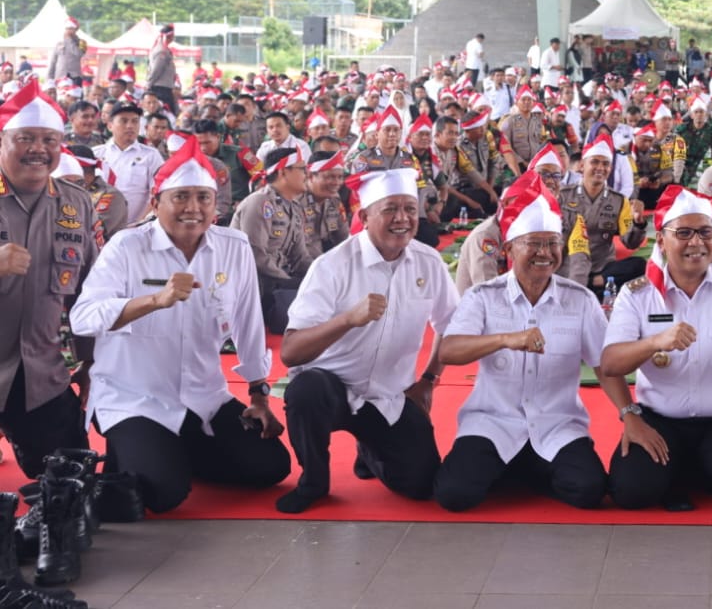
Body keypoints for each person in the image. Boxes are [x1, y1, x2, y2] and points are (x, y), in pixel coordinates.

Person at [70, 139, 290, 512]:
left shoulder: (233, 246)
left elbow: (248, 321)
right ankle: (140, 453)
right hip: (134, 397)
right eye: (181, 197)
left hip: (204, 395)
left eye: (204, 197)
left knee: (270, 466)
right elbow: (84, 316)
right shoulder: (127, 247)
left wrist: (258, 395)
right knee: (163, 495)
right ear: (156, 204)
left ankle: (168, 454)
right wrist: (153, 301)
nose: (193, 208)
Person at [433, 174, 631, 511]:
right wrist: (505, 339)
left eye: (552, 243)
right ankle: (518, 467)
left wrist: (630, 414)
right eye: (534, 244)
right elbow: (450, 350)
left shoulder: (580, 300)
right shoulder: (484, 297)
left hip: (557, 424)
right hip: (492, 421)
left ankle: (518, 469)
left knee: (589, 490)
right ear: (509, 249)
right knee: (454, 494)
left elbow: (605, 365)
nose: (545, 253)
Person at [273, 168, 459, 514]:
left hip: (391, 395)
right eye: (390, 209)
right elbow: (291, 351)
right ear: (364, 216)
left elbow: (451, 326)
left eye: (408, 208)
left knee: (421, 485)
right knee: (305, 391)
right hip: (332, 391)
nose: (402, 218)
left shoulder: (429, 262)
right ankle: (313, 481)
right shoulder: (332, 266)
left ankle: (371, 451)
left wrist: (429, 380)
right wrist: (348, 319)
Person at [602, 187, 712, 510]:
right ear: (661, 241)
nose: (696, 242)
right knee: (630, 492)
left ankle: (692, 468)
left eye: (705, 232)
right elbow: (611, 364)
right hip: (659, 418)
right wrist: (632, 416)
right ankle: (689, 469)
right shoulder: (637, 295)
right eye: (683, 233)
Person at [0, 81, 98, 475]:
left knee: (72, 483)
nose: (39, 148)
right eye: (26, 138)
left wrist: (92, 361)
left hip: (39, 372)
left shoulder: (75, 203)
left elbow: (91, 290)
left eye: (50, 139)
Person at [233, 146, 313, 333]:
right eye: (302, 169)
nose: (307, 174)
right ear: (284, 172)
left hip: (276, 287)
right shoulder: (259, 202)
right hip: (253, 291)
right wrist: (287, 281)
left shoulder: (294, 207)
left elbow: (300, 257)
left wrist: (320, 276)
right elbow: (255, 254)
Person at [559, 132, 649, 294]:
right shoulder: (563, 196)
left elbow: (630, 243)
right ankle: (588, 284)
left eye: (606, 164)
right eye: (594, 162)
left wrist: (638, 222)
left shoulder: (619, 200)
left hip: (602, 269)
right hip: (569, 265)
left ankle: (591, 282)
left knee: (640, 265)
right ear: (582, 166)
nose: (600, 168)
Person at [95, 102, 161, 223]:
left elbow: (158, 194)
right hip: (97, 229)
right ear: (110, 125)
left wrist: (139, 224)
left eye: (135, 121)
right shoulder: (97, 154)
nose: (130, 126)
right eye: (124, 121)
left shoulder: (151, 156)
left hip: (137, 228)